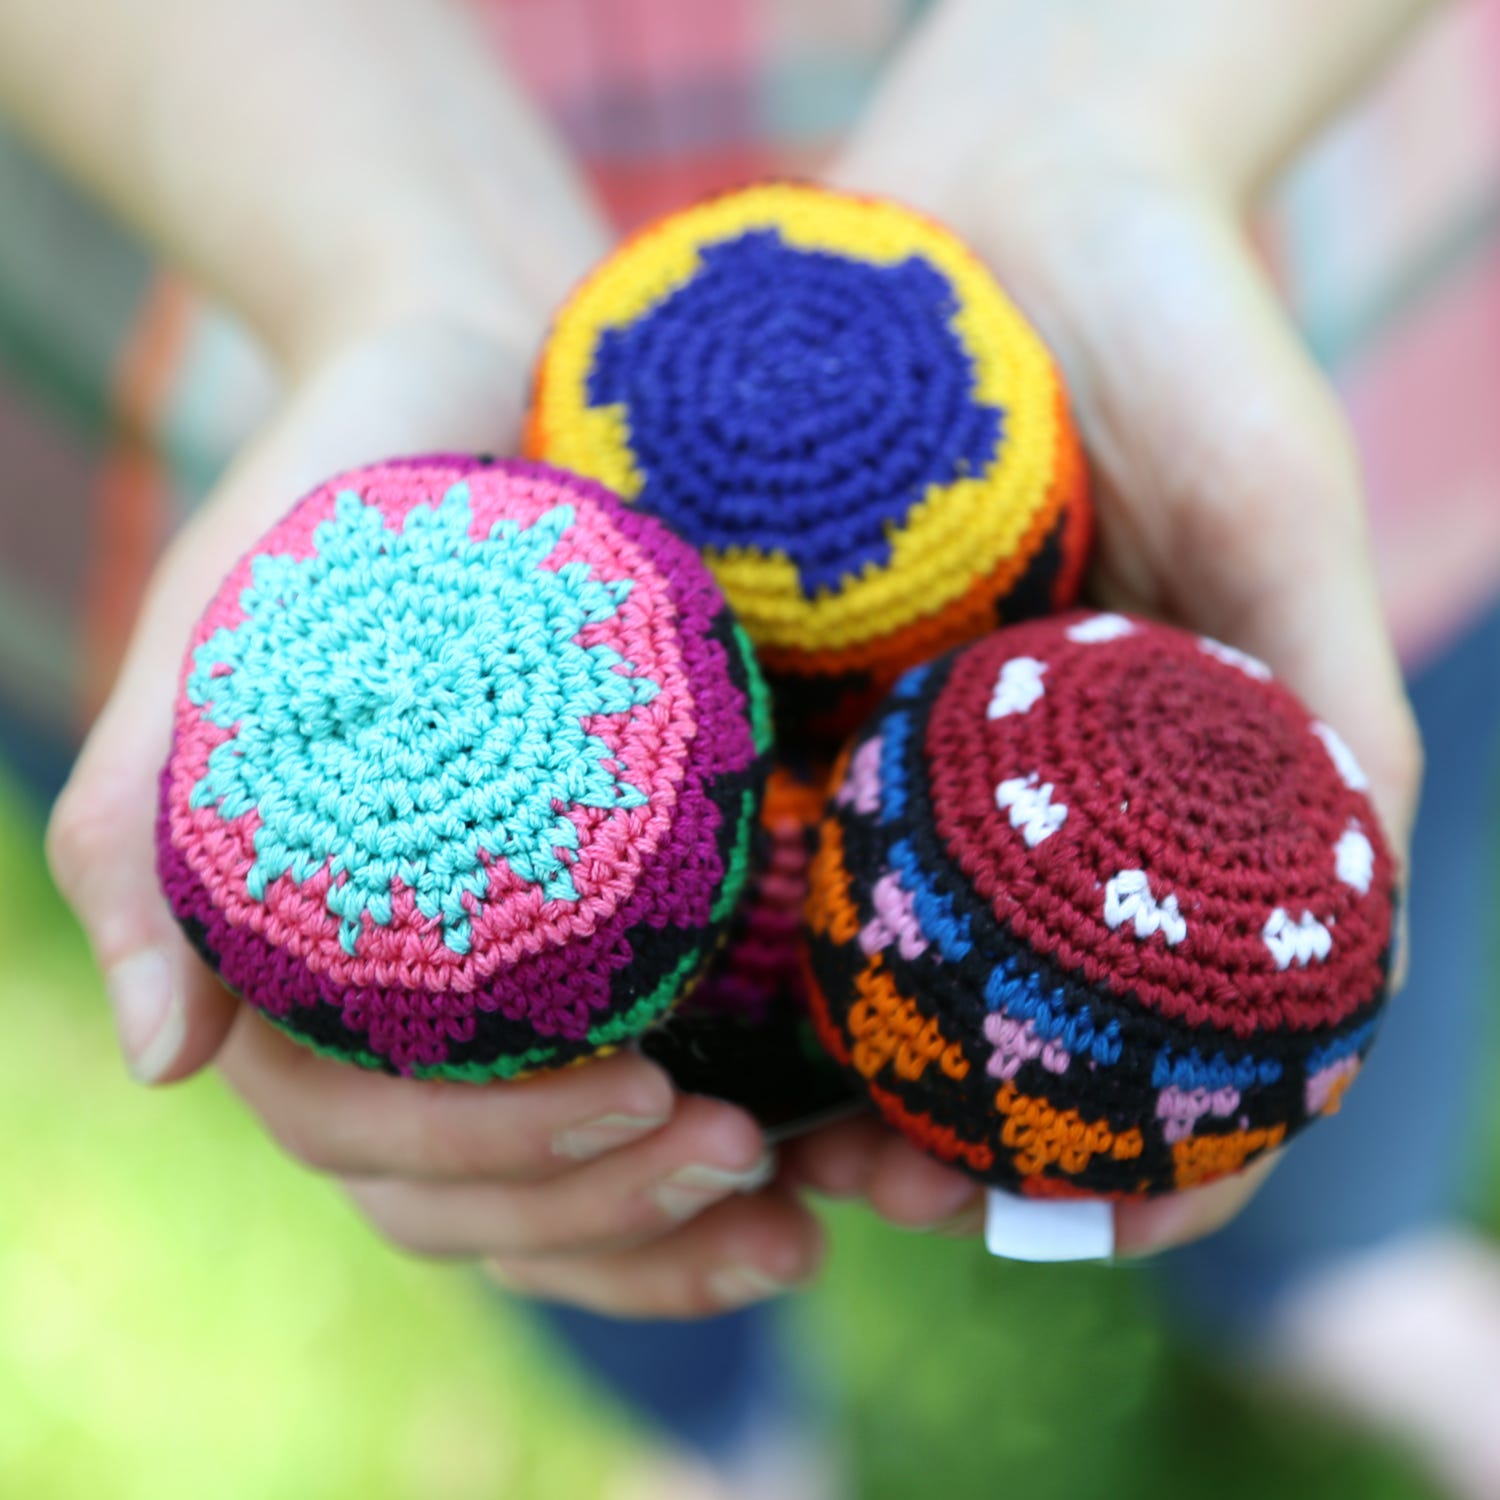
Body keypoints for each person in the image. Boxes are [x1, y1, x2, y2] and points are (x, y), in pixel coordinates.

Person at [1, 1, 1495, 1495]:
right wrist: (388, 264)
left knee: (1403, 939)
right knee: (566, 1173)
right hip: (234, 202)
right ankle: (710, 1425)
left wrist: (1102, 124)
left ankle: (1329, 1266)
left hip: (1254, 131)